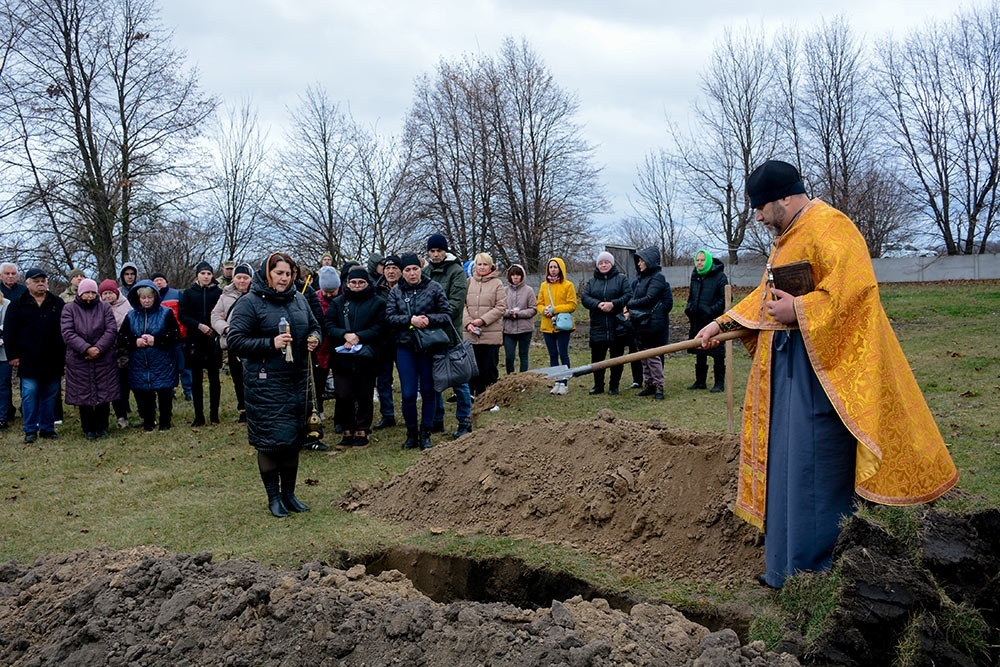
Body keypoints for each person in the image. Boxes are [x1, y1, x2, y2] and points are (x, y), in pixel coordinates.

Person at [696, 159, 958, 589]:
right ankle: (782, 569)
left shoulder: (831, 226)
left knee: (813, 465)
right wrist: (721, 325)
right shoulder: (787, 236)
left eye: (761, 207)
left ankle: (812, 574)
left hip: (823, 373)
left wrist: (798, 309)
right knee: (786, 462)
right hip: (786, 368)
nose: (758, 217)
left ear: (784, 197)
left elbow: (856, 293)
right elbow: (765, 300)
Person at [227, 252, 321, 518]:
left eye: (288, 274)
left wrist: (314, 338)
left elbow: (315, 326)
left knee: (292, 441)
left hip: (296, 380)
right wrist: (271, 343)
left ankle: (290, 494)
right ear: (268, 273)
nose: (284, 278)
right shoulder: (250, 303)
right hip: (265, 384)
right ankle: (274, 497)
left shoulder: (300, 299)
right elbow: (235, 341)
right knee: (270, 443)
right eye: (279, 273)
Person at [385, 252, 452, 450]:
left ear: (420, 269)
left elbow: (447, 314)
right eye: (407, 270)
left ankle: (426, 433)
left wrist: (428, 319)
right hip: (405, 347)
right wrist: (409, 320)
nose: (412, 273)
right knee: (407, 394)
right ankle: (411, 433)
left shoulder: (433, 288)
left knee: (429, 390)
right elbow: (389, 317)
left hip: (429, 346)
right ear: (402, 272)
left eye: (415, 269)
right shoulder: (395, 292)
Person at [325, 266, 385, 448]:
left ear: (367, 283)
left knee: (364, 393)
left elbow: (380, 326)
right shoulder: (338, 302)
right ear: (347, 284)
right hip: (342, 356)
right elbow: (328, 324)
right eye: (353, 282)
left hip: (366, 355)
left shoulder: (377, 302)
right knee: (343, 394)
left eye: (361, 282)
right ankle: (347, 429)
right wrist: (345, 335)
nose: (357, 286)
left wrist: (359, 336)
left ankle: (362, 429)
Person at [5, 268, 66, 442]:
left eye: (43, 280)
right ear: (28, 284)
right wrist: (13, 356)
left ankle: (47, 428)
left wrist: (64, 356)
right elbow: (9, 332)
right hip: (28, 359)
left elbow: (65, 330)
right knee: (29, 393)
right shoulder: (17, 304)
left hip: (53, 358)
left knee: (50, 394)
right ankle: (30, 429)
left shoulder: (57, 302)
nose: (41, 283)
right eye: (36, 281)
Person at [424, 233, 473, 438]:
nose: (435, 255)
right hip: (429, 336)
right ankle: (437, 419)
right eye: (432, 251)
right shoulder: (425, 271)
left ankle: (465, 420)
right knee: (433, 379)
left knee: (459, 381)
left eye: (439, 251)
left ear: (445, 251)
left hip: (449, 334)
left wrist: (429, 317)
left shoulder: (456, 271)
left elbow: (455, 304)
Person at [60, 278, 119, 439]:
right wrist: (86, 348)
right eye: (87, 292)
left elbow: (111, 330)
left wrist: (98, 348)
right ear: (80, 293)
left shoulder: (105, 307)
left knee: (104, 394)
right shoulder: (69, 309)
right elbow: (68, 332)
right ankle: (88, 429)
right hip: (79, 359)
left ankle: (103, 427)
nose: (90, 295)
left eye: (93, 292)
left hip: (103, 358)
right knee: (83, 396)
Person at [119, 281, 180, 431]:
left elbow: (175, 334)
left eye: (150, 297)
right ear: (138, 298)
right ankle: (148, 422)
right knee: (143, 394)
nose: (146, 300)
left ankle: (165, 422)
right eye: (143, 297)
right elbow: (121, 337)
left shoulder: (166, 313)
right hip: (139, 361)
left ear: (155, 297)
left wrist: (156, 340)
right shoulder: (131, 316)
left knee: (164, 392)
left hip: (162, 360)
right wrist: (135, 341)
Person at [580, 251, 632, 395]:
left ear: (612, 263)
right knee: (597, 358)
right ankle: (598, 385)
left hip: (617, 325)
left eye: (606, 262)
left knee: (617, 358)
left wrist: (613, 304)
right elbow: (585, 298)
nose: (603, 265)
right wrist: (598, 304)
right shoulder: (592, 282)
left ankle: (614, 385)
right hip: (598, 326)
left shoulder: (621, 279)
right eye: (601, 263)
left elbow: (628, 295)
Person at [179, 261, 222, 426]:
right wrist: (199, 326)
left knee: (214, 379)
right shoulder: (189, 293)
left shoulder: (218, 293)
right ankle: (199, 416)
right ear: (197, 275)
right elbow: (183, 315)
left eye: (209, 274)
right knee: (196, 379)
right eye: (203, 273)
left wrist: (214, 328)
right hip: (195, 341)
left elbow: (222, 313)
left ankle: (214, 415)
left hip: (213, 340)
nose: (206, 276)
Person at [626, 247, 670, 400]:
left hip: (652, 323)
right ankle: (648, 383)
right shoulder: (639, 280)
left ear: (649, 261)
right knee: (643, 356)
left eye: (642, 260)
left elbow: (650, 298)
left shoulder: (657, 277)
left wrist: (631, 304)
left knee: (652, 356)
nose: (639, 263)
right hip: (639, 322)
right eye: (638, 260)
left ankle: (659, 385)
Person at [211, 263, 252, 423]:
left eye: (245, 278)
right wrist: (226, 329)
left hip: (252, 343)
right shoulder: (225, 296)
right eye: (238, 277)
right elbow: (215, 316)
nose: (241, 281)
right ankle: (243, 410)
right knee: (238, 378)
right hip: (234, 343)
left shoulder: (257, 295)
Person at [685, 249, 729, 393]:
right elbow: (692, 295)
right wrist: (689, 308)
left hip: (714, 321)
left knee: (717, 352)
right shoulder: (695, 276)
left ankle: (719, 383)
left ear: (708, 261)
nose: (699, 263)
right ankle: (700, 381)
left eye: (702, 260)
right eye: (697, 260)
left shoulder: (720, 277)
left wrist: (710, 310)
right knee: (700, 349)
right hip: (697, 319)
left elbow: (725, 299)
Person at [463, 252, 505, 396]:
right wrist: (468, 323)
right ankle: (472, 396)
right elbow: (462, 306)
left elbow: (500, 307)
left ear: (491, 266)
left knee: (489, 368)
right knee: (472, 368)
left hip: (490, 334)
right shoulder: (468, 282)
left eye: (485, 264)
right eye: (479, 264)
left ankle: (490, 397)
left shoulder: (497, 284)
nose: (481, 267)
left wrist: (482, 320)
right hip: (470, 334)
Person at [536, 257, 577, 395]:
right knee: (553, 355)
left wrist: (555, 309)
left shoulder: (568, 285)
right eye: (550, 267)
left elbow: (572, 305)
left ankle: (564, 383)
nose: (553, 270)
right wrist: (544, 311)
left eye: (555, 267)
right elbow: (539, 303)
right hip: (547, 325)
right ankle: (556, 381)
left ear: (560, 269)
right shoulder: (543, 286)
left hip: (562, 325)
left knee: (563, 353)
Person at [372, 255, 402, 429]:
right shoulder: (376, 289)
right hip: (382, 341)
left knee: (407, 380)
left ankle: (409, 412)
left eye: (394, 269)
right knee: (383, 380)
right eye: (387, 268)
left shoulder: (405, 289)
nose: (391, 272)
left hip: (402, 340)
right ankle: (387, 415)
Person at [152, 272, 192, 401]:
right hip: (161, 339)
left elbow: (184, 313)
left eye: (161, 280)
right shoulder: (151, 297)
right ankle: (169, 392)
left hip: (179, 337)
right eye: (156, 281)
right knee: (166, 367)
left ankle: (189, 391)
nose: (159, 282)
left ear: (166, 282)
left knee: (184, 367)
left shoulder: (177, 294)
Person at [100, 279, 133, 428]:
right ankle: (120, 414)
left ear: (116, 293)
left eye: (110, 293)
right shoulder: (98, 308)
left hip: (125, 350)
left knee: (125, 383)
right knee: (112, 385)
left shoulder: (126, 305)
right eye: (104, 294)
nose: (107, 296)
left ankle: (126, 409)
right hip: (106, 351)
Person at [502, 264, 536, 375]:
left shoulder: (529, 290)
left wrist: (520, 314)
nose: (516, 277)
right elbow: (499, 309)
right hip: (508, 330)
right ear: (509, 276)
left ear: (522, 276)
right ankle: (510, 378)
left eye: (518, 275)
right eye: (513, 275)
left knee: (523, 355)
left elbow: (533, 309)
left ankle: (523, 379)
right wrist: (509, 313)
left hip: (525, 329)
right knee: (509, 356)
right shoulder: (504, 291)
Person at [0, 290, 11, 430]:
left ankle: (2, 417)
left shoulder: (7, 304)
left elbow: (9, 325)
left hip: (3, 353)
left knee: (3, 385)